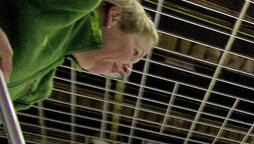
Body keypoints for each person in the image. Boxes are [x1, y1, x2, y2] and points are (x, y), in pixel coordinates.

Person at [0, 0, 158, 109]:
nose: (127, 71)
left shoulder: (39, 88)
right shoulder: (79, 4)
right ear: (114, 15)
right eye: (135, 53)